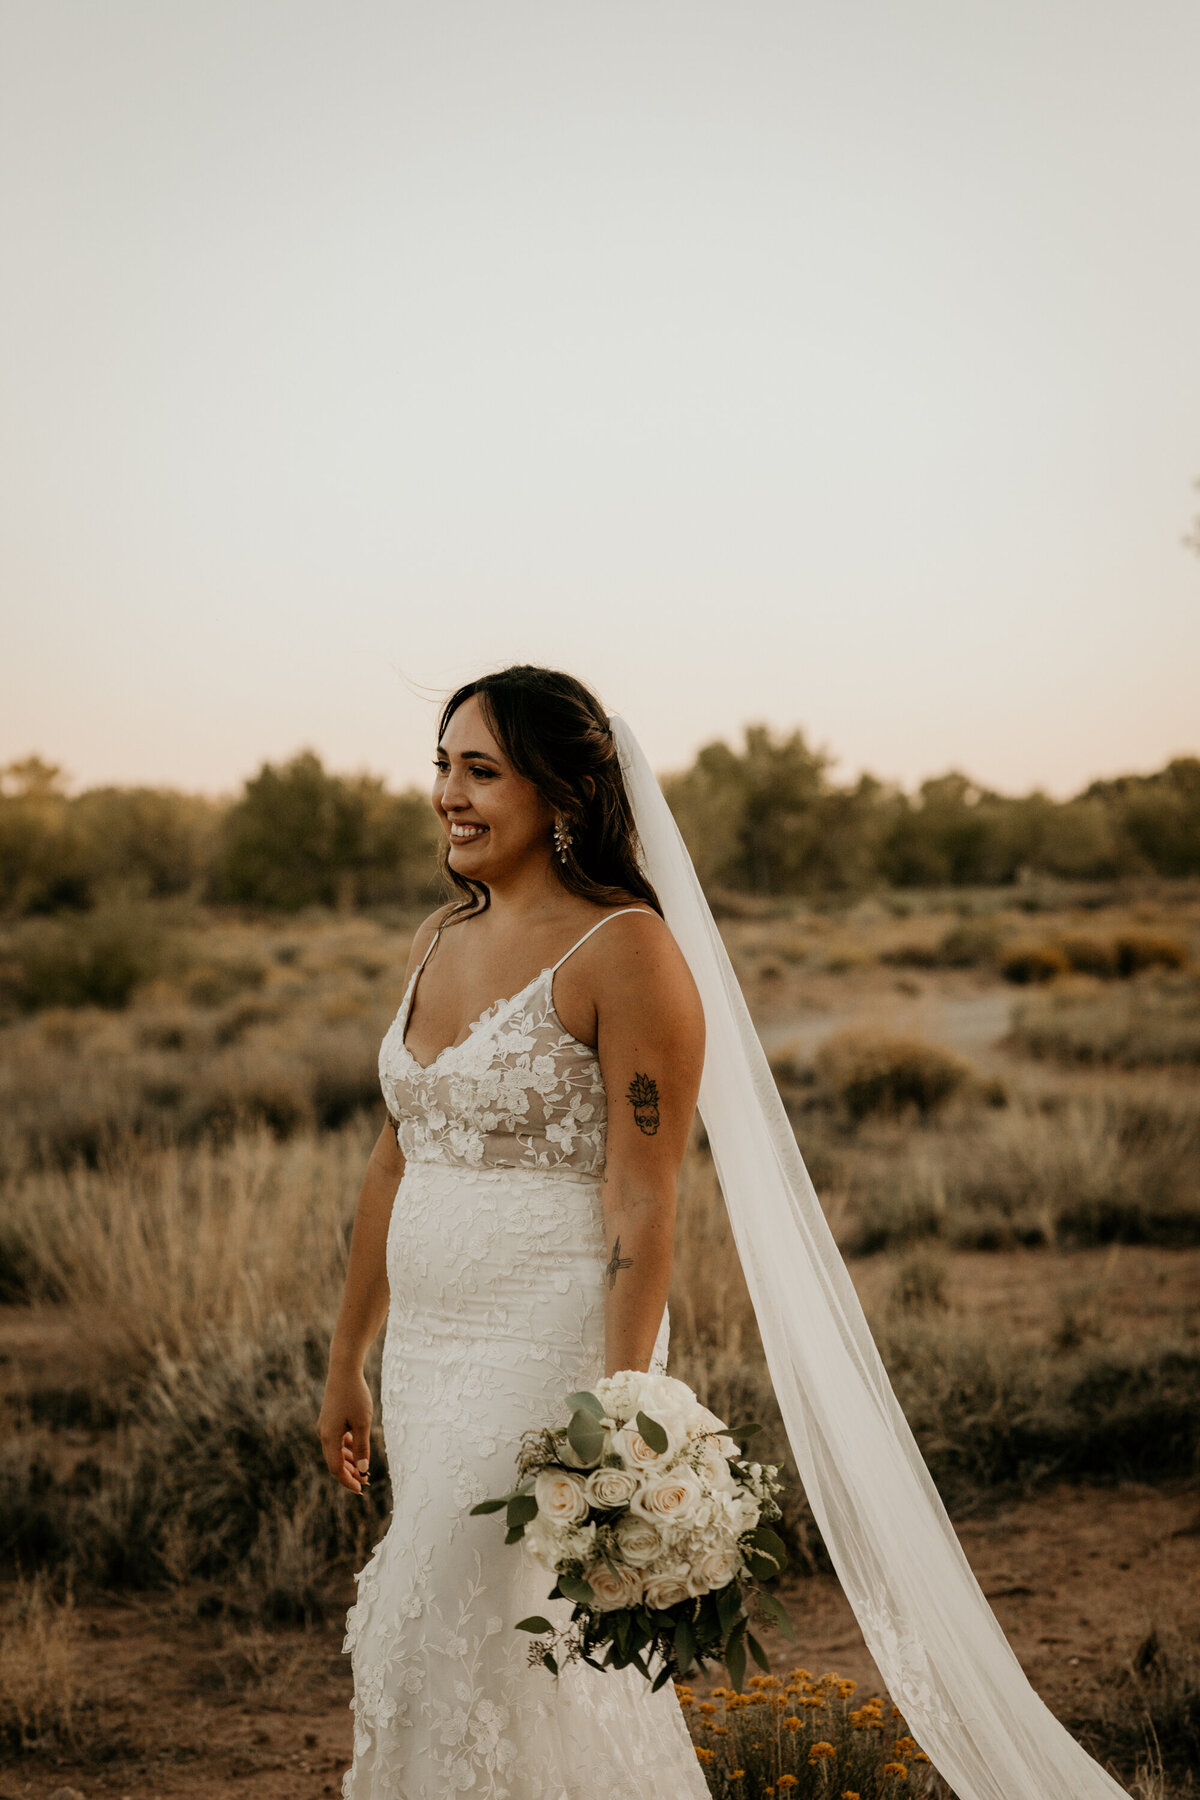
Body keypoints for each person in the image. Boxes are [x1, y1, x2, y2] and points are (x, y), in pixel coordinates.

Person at [318, 665, 713, 1798]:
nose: (450, 792)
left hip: (554, 1351)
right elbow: (396, 1154)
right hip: (428, 1357)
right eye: (442, 766)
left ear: (560, 793)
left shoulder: (624, 950)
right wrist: (348, 1356)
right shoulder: (437, 939)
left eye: (480, 770)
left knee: (439, 1609)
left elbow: (646, 1196)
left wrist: (621, 1413)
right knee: (473, 1650)